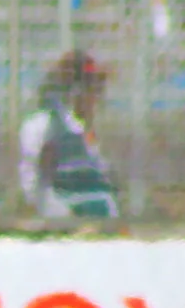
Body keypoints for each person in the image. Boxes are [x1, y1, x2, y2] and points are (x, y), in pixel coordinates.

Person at [16, 51, 120, 219]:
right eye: (92, 90)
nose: (97, 98)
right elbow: (40, 180)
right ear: (75, 92)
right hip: (63, 210)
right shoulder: (45, 125)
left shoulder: (83, 130)